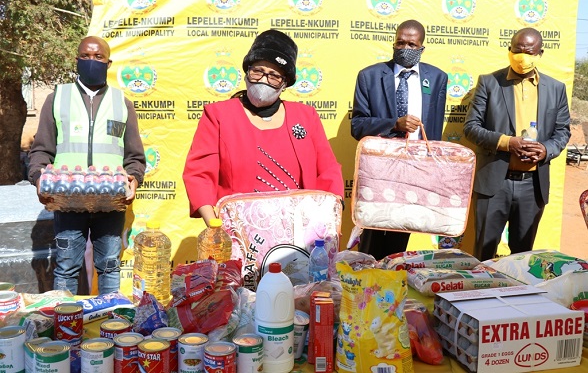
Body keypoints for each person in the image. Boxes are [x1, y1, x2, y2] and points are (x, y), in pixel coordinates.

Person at [183, 29, 344, 225]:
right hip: (238, 231)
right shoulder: (218, 115)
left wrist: (329, 220)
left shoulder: (306, 116)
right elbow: (199, 175)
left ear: (284, 84)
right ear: (246, 72)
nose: (263, 80)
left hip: (299, 231)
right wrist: (215, 226)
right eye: (257, 71)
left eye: (274, 75)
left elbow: (328, 171)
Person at [28, 36, 146, 295]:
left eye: (98, 57)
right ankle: (67, 327)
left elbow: (135, 157)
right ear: (76, 60)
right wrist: (38, 178)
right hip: (67, 201)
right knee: (67, 267)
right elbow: (41, 151)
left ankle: (110, 324)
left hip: (110, 203)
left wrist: (134, 180)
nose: (91, 61)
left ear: (108, 62)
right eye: (85, 56)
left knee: (109, 266)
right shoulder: (57, 98)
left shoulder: (121, 103)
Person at [463, 27, 570, 261]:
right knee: (483, 254)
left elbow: (562, 132)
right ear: (509, 50)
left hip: (532, 187)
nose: (522, 57)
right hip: (494, 184)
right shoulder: (489, 83)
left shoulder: (555, 89)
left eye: (529, 52)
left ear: (540, 53)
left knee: (522, 259)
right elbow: (471, 127)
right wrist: (506, 142)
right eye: (517, 50)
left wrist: (545, 150)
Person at [350, 19, 448, 260]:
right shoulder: (369, 76)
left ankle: (391, 286)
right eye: (400, 42)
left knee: (400, 238)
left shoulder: (437, 78)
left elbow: (434, 130)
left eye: (412, 44)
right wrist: (394, 124)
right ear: (394, 43)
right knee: (373, 236)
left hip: (415, 172)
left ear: (422, 47)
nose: (405, 48)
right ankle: (368, 285)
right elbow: (357, 126)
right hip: (380, 173)